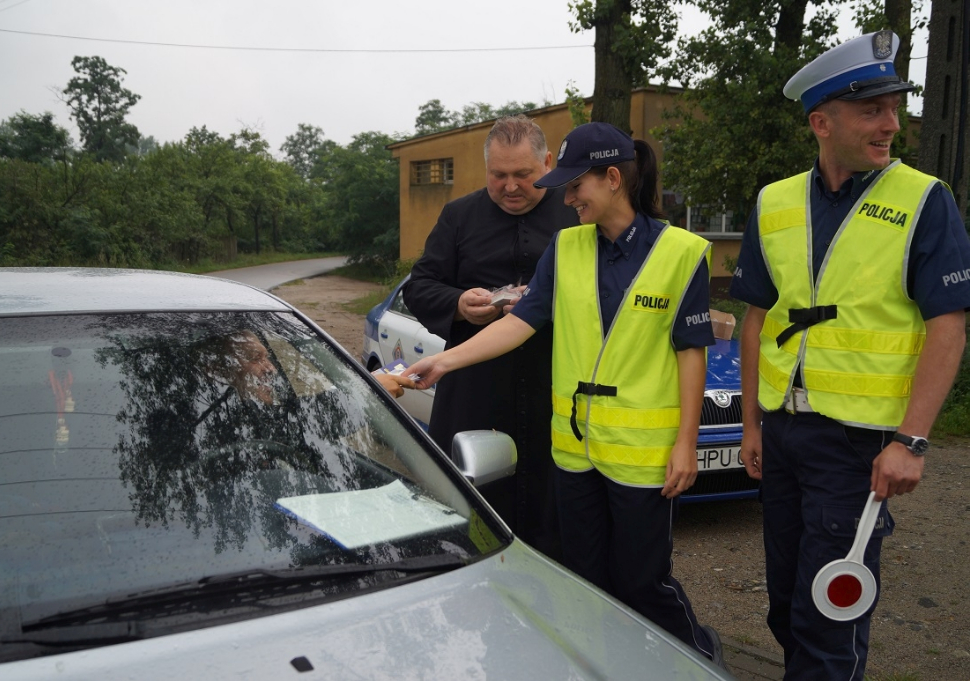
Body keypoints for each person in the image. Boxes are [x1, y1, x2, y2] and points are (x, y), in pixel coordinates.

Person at [405, 121, 727, 667]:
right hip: (574, 447)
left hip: (640, 453)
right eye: (500, 175)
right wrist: (443, 359)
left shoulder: (679, 251)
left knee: (642, 580)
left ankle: (697, 661)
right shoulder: (566, 244)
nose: (567, 198)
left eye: (574, 186)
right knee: (582, 576)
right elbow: (520, 322)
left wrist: (686, 443)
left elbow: (690, 351)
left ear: (612, 179)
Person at [730, 30, 970, 679]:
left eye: (893, 107)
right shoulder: (774, 201)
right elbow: (757, 319)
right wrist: (752, 424)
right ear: (822, 122)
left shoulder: (925, 200)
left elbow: (948, 326)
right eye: (872, 110)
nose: (891, 124)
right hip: (782, 433)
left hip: (857, 445)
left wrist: (911, 441)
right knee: (785, 606)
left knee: (828, 615)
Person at [402, 114, 578, 561]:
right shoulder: (459, 216)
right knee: (468, 518)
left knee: (555, 521)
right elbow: (419, 286)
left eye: (523, 174)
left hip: (553, 386)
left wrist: (547, 307)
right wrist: (459, 303)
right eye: (498, 175)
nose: (510, 186)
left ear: (548, 163)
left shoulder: (576, 214)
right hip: (474, 390)